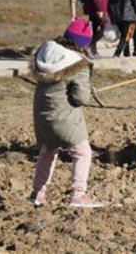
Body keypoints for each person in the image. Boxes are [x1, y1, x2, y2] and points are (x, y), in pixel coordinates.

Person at [29, 18, 104, 208]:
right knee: (82, 152)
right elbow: (80, 98)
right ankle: (78, 194)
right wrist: (88, 90)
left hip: (42, 116)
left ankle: (38, 193)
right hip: (64, 118)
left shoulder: (47, 53)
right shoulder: (78, 64)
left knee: (48, 151)